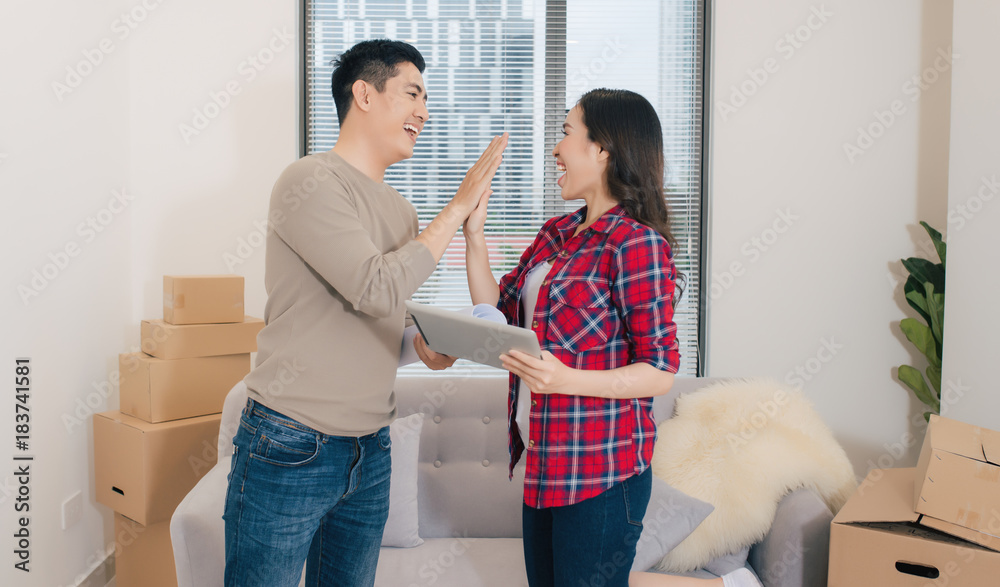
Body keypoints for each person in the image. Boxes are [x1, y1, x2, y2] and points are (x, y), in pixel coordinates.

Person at [415, 88, 761, 587]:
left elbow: (660, 371)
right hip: (542, 463)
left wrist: (568, 378)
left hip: (601, 475)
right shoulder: (557, 232)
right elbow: (500, 311)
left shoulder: (636, 243)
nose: (555, 149)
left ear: (602, 149)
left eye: (565, 133)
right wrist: (474, 236)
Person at [224, 39, 507, 587]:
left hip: (371, 450)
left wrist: (427, 348)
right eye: (412, 93)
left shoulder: (401, 210)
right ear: (364, 94)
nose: (424, 111)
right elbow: (374, 287)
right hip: (289, 441)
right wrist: (456, 208)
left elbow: (387, 325)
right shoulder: (309, 180)